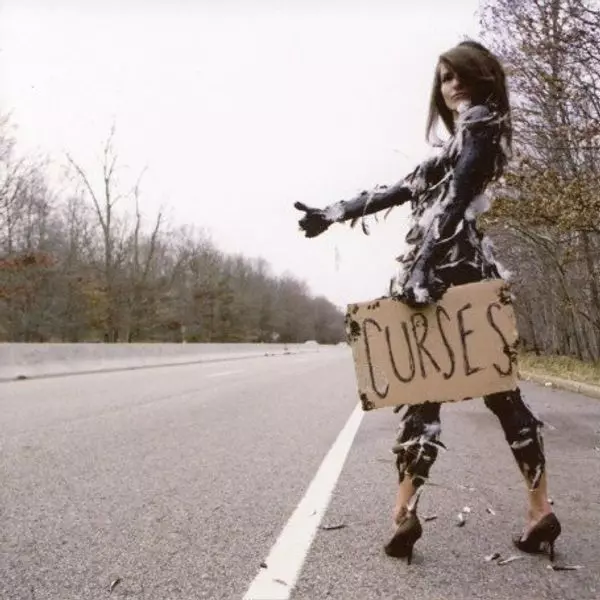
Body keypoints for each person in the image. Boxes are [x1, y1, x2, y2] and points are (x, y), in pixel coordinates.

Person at [294, 40, 561, 563]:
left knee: (427, 395)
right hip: (462, 277)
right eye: (444, 78)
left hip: (445, 275)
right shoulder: (461, 140)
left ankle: (406, 512)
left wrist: (421, 264)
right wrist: (334, 211)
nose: (452, 84)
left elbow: (457, 199)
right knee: (496, 395)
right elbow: (401, 188)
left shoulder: (482, 127)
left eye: (459, 74)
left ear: (483, 76)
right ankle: (535, 510)